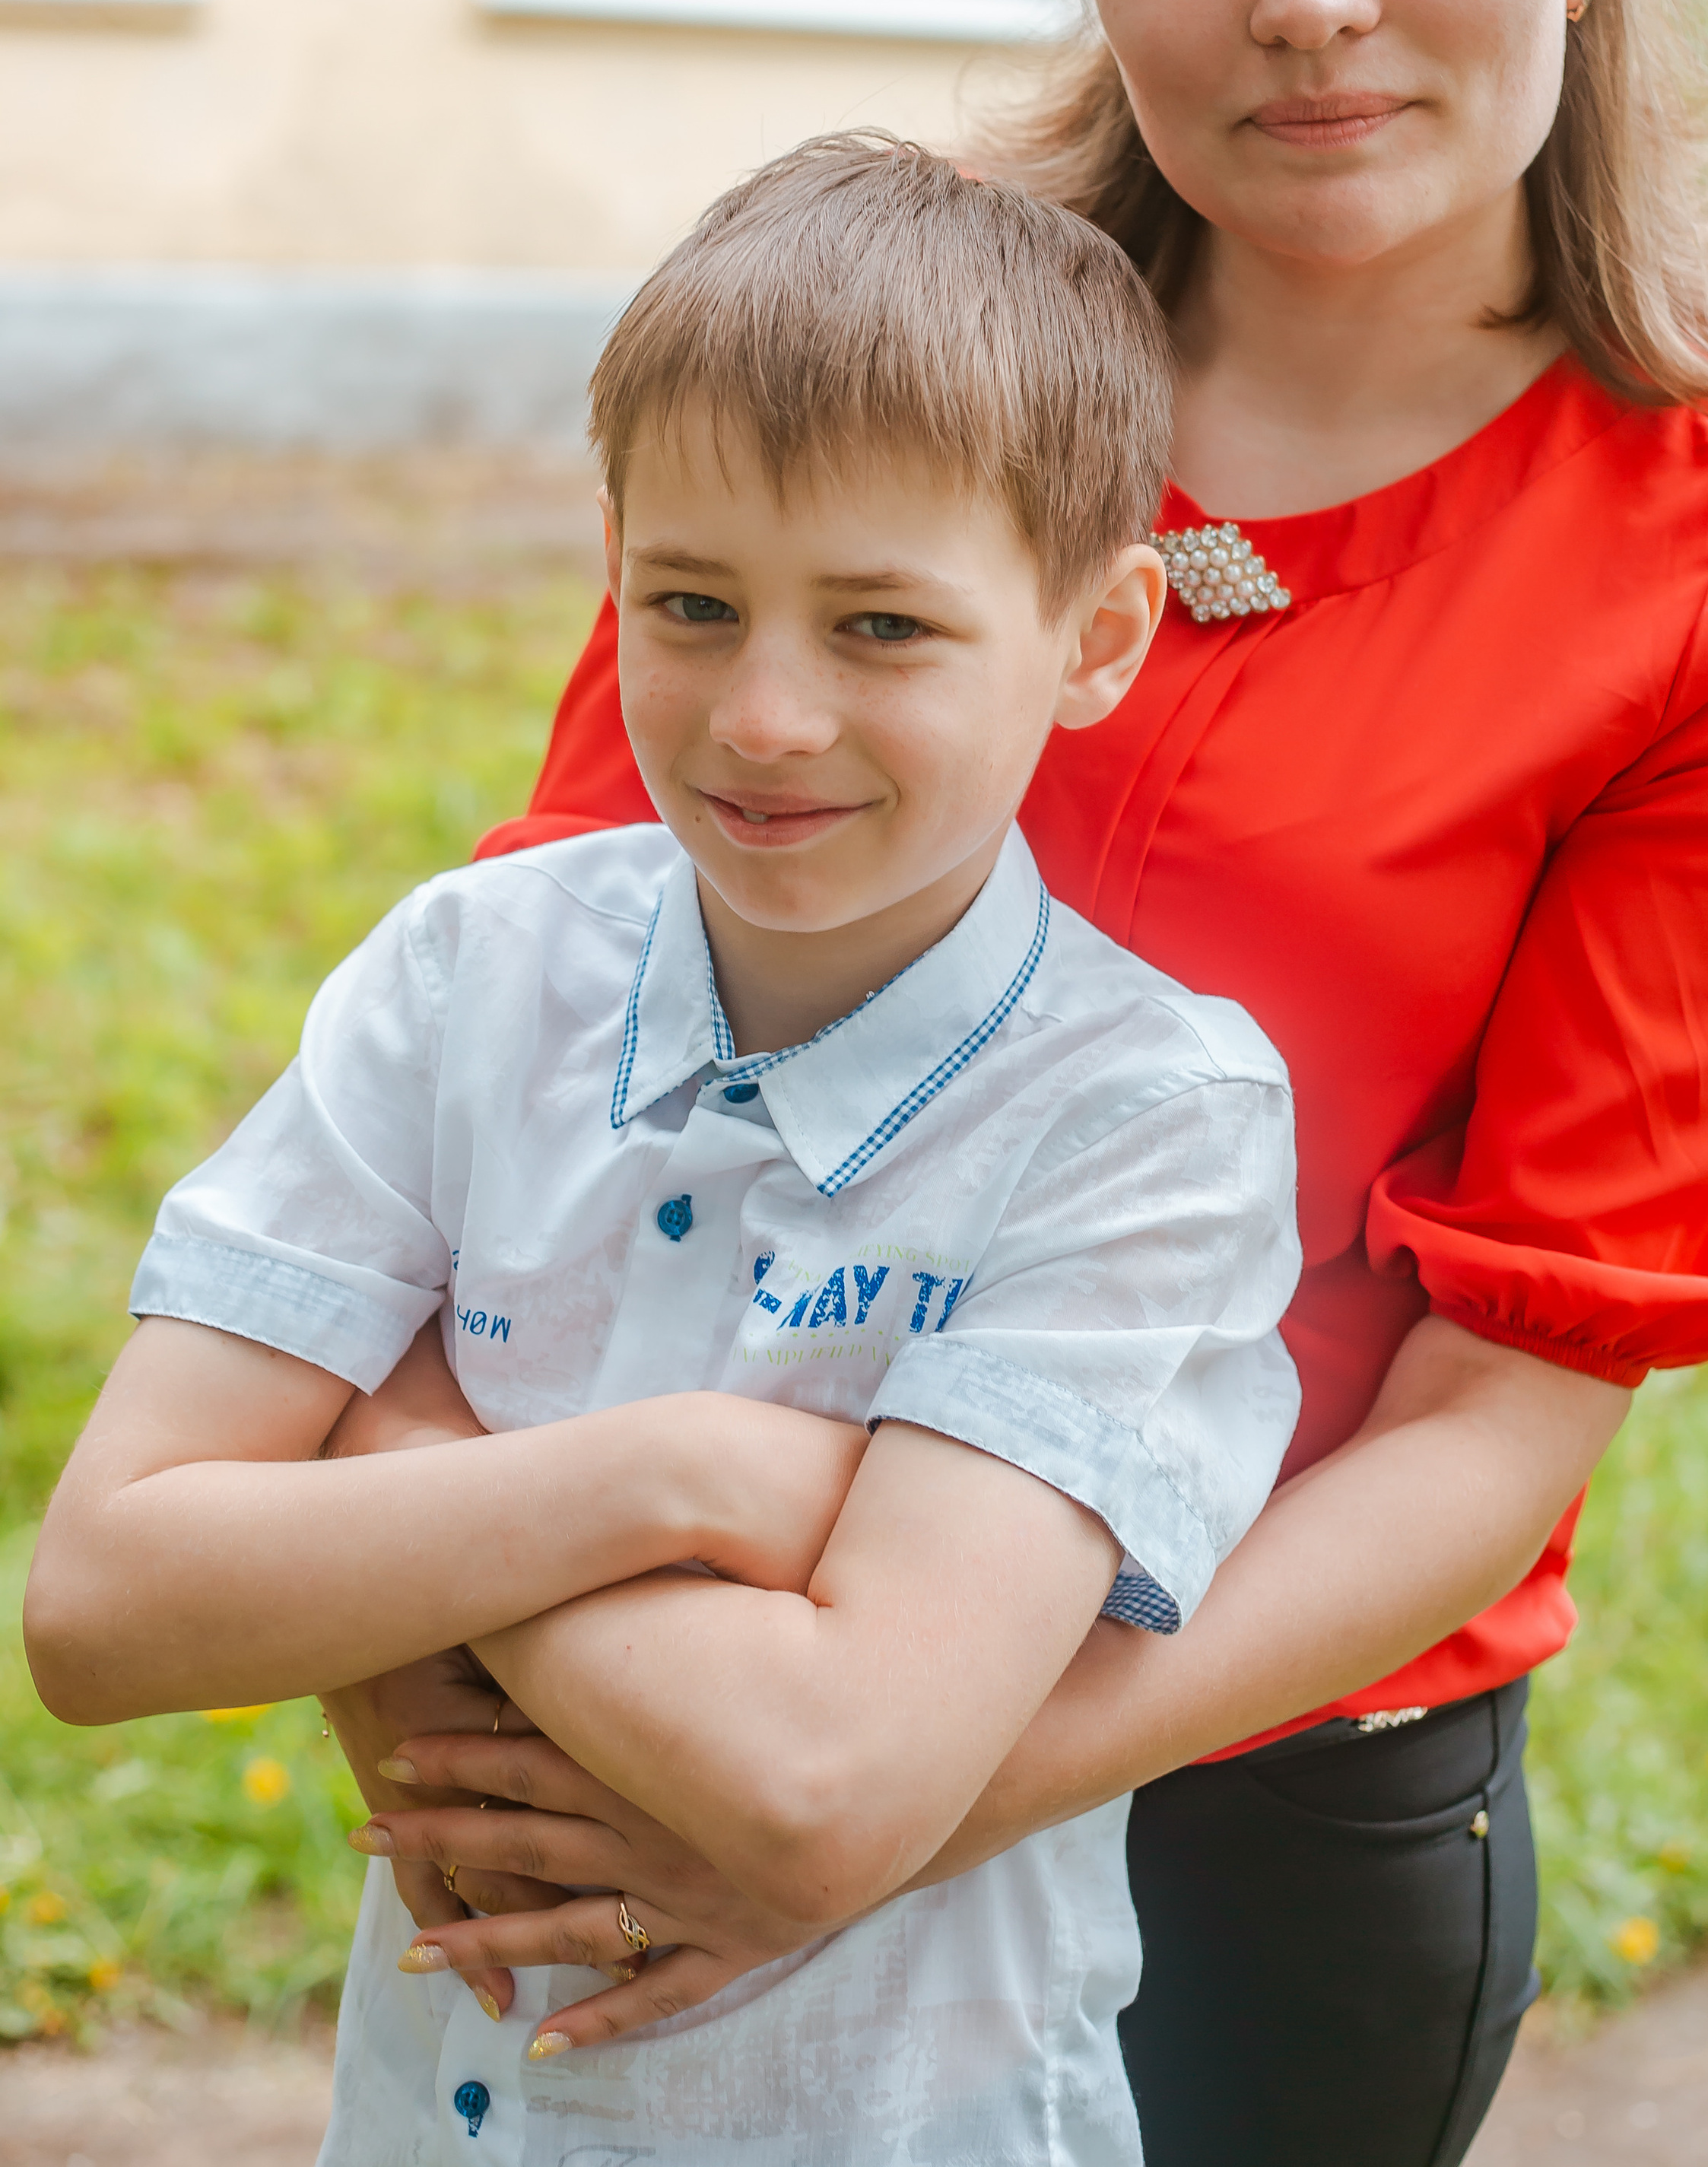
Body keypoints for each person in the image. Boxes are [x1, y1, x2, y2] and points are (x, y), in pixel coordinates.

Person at [334, 0, 1708, 2167]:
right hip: (640, 1666)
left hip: (1237, 1800)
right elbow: (509, 1048)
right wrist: (444, 1642)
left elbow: (1497, 1422)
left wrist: (905, 1798)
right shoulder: (881, 378)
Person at [24, 138, 1306, 2166]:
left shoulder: (1148, 1123)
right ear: (611, 557)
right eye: (691, 604)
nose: (764, 714)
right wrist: (674, 1478)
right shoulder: (468, 979)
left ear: (1099, 635)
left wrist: (393, 1472)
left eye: (883, 628)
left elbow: (821, 1783)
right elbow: (101, 1602)